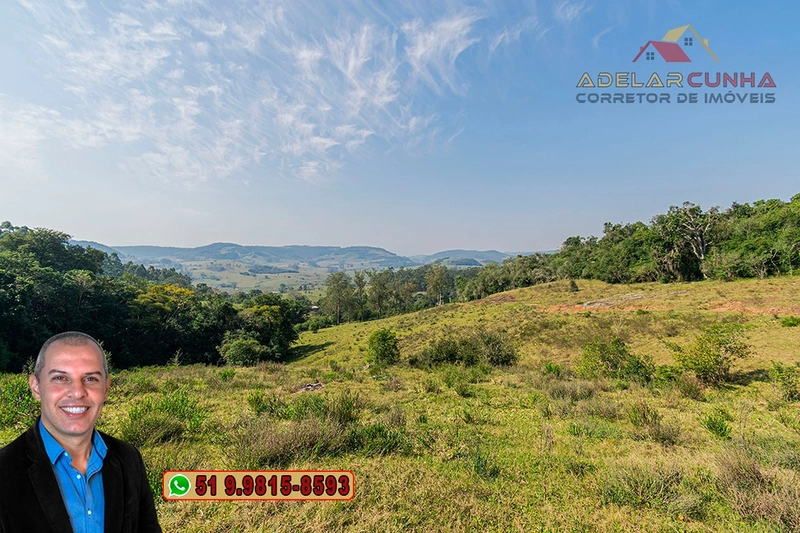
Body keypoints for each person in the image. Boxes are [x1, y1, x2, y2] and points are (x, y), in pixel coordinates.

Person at [0, 331, 162, 533]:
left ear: (106, 388)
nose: (77, 392)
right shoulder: (4, 471)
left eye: (91, 379)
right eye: (60, 378)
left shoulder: (129, 459)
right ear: (36, 387)